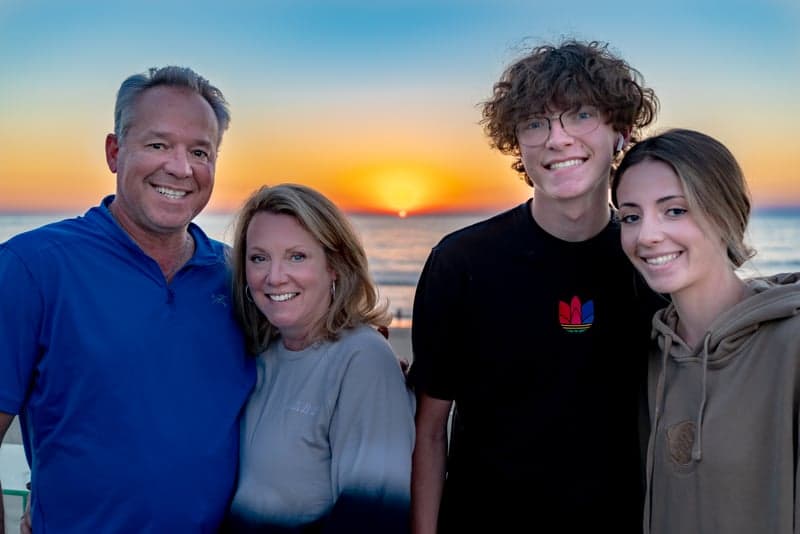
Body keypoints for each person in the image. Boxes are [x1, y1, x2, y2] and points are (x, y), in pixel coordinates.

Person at [408, 39, 663, 532]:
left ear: (622, 133)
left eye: (581, 115)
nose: (557, 138)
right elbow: (430, 431)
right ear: (518, 147)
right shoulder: (461, 262)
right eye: (535, 123)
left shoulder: (652, 263)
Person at [0, 66, 256, 533]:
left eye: (200, 151)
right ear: (115, 153)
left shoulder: (241, 276)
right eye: (158, 145)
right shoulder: (31, 268)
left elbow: (305, 356)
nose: (180, 168)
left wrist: (366, 349)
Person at [612, 128, 800, 534]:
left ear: (728, 213)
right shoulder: (650, 356)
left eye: (675, 210)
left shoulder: (792, 347)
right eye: (631, 216)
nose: (647, 235)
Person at [223, 183, 416, 533]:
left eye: (297, 256)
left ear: (335, 266)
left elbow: (374, 515)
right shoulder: (262, 356)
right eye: (259, 258)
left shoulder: (363, 358)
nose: (274, 276)